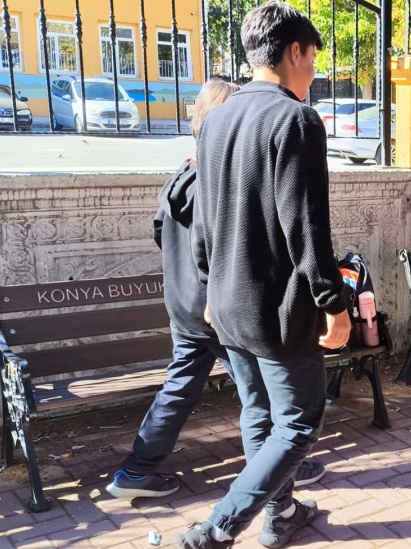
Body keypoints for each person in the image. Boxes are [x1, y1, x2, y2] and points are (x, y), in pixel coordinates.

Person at [176, 1, 350, 549]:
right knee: (298, 422)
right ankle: (218, 531)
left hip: (226, 304)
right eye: (313, 61)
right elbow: (307, 227)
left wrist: (205, 287)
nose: (313, 74)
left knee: (260, 415)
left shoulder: (217, 118)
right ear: (294, 53)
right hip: (276, 310)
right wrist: (334, 302)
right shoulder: (296, 121)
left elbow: (203, 220)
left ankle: (280, 513)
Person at [105, 79, 325, 501]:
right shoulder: (219, 184)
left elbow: (163, 235)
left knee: (182, 385)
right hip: (218, 307)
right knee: (261, 399)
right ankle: (280, 476)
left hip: (183, 307)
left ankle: (136, 469)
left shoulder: (179, 178)